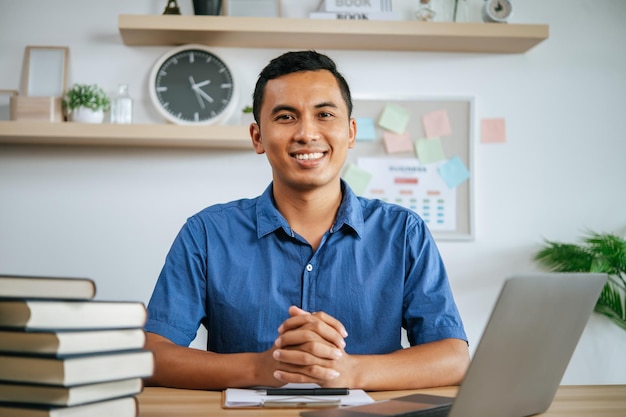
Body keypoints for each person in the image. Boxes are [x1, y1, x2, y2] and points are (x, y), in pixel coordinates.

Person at [144, 50, 469, 391]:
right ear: (257, 137)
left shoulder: (403, 232)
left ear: (351, 132)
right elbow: (153, 355)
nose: (307, 133)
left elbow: (452, 356)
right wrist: (259, 368)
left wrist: (351, 372)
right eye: (286, 117)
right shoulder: (207, 234)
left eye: (325, 114)